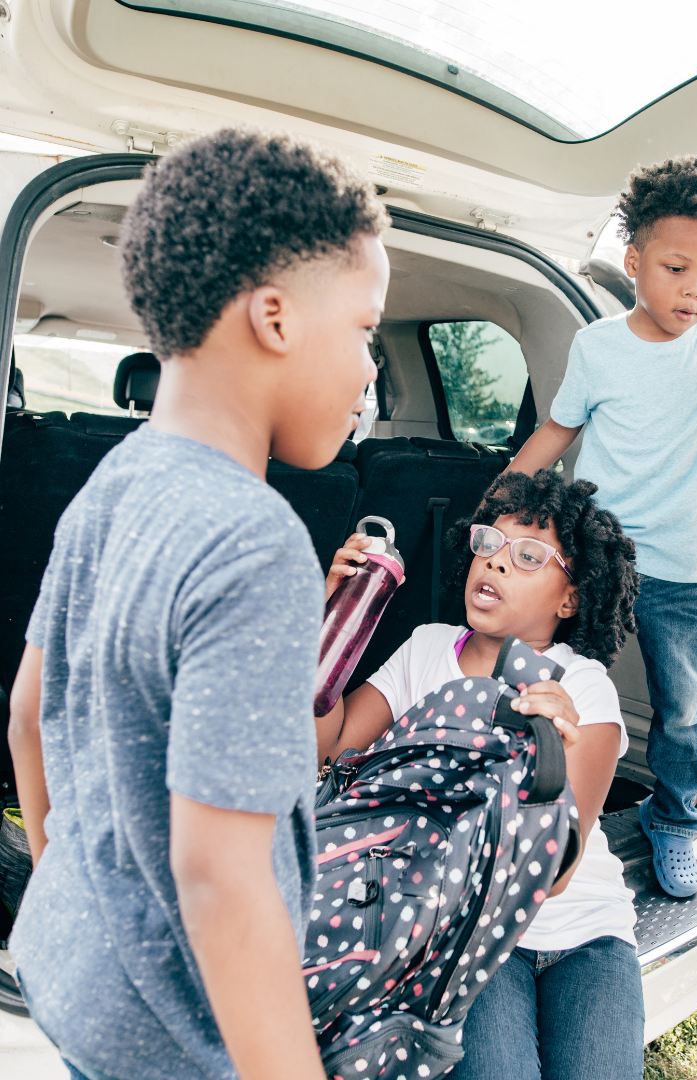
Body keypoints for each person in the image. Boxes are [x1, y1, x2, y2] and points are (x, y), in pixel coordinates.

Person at [6, 130, 390, 1080]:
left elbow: (25, 714)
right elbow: (222, 875)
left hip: (72, 966)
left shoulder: (113, 480)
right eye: (364, 330)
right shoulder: (256, 544)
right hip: (176, 1036)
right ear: (274, 318)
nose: (367, 375)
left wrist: (77, 892)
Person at [317, 468, 643, 1080]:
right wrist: (335, 623)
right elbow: (327, 748)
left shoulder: (582, 688)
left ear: (570, 598)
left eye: (527, 556)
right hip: (465, 935)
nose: (494, 563)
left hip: (586, 934)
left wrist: (552, 740)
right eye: (487, 545)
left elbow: (561, 873)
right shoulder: (425, 649)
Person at [507, 157, 697, 897]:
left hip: (683, 569)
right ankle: (531, 800)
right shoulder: (599, 348)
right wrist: (503, 498)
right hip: (594, 559)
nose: (696, 290)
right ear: (635, 262)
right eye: (679, 268)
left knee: (683, 711)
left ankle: (674, 822)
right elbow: (557, 430)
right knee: (556, 683)